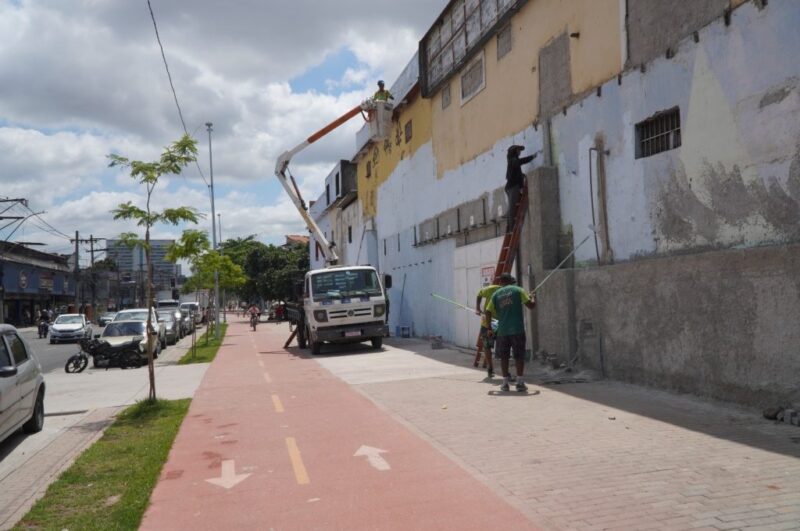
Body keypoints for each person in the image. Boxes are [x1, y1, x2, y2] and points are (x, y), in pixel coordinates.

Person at [485, 273, 536, 392]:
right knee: (519, 356)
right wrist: (533, 296)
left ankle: (505, 384)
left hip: (503, 331)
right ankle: (519, 383)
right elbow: (531, 306)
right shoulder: (518, 290)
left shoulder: (496, 294)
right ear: (510, 281)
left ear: (501, 282)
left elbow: (487, 311)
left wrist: (489, 328)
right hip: (517, 330)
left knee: (504, 357)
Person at [505, 145, 536, 232]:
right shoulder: (513, 160)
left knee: (512, 208)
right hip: (512, 187)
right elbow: (521, 161)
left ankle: (510, 227)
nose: (520, 152)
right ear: (514, 151)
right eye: (518, 150)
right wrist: (532, 157)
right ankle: (511, 229)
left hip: (513, 187)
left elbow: (517, 173)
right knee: (512, 208)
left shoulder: (513, 162)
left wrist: (522, 177)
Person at [475, 282, 501, 378]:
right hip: (487, 322)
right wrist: (478, 308)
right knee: (487, 346)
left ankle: (505, 372)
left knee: (503, 346)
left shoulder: (510, 291)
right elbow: (479, 294)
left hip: (501, 322)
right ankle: (490, 367)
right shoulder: (491, 289)